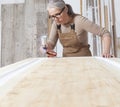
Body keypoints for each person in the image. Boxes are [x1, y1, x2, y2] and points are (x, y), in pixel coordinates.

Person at [40, 0, 112, 58]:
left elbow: (105, 33)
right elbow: (51, 43)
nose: (56, 19)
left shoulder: (79, 21)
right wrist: (45, 48)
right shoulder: (56, 24)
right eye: (52, 16)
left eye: (57, 14)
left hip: (85, 61)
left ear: (65, 9)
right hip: (66, 62)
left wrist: (106, 52)